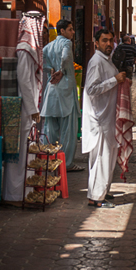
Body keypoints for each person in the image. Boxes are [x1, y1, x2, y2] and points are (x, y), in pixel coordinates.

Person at [2, 13, 46, 204]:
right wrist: (32, 109)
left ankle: (23, 192)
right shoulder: (25, 49)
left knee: (24, 152)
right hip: (21, 107)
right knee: (18, 153)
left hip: (26, 107)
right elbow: (24, 81)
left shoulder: (31, 49)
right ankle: (14, 194)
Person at [82, 29, 126, 208]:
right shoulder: (96, 62)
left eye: (110, 41)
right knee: (101, 158)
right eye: (104, 40)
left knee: (108, 157)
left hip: (107, 118)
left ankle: (102, 191)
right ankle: (96, 197)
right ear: (96, 42)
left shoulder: (106, 61)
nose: (108, 44)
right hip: (99, 119)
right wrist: (115, 80)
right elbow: (91, 89)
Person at [41, 19, 83, 172]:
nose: (73, 32)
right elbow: (65, 58)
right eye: (70, 29)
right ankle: (66, 163)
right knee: (68, 130)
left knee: (50, 128)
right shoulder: (66, 43)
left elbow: (41, 59)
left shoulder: (50, 45)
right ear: (62, 31)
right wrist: (61, 70)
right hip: (65, 89)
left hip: (52, 89)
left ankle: (47, 160)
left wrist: (50, 69)